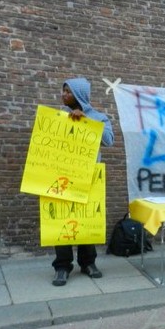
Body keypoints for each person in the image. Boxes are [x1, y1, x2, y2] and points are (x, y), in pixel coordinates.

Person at [52, 78, 114, 286]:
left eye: (68, 92)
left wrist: (86, 120)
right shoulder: (58, 117)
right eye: (63, 91)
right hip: (63, 177)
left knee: (86, 220)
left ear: (79, 94)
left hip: (88, 178)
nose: (64, 95)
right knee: (61, 222)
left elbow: (109, 140)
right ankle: (62, 266)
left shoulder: (99, 117)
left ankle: (88, 263)